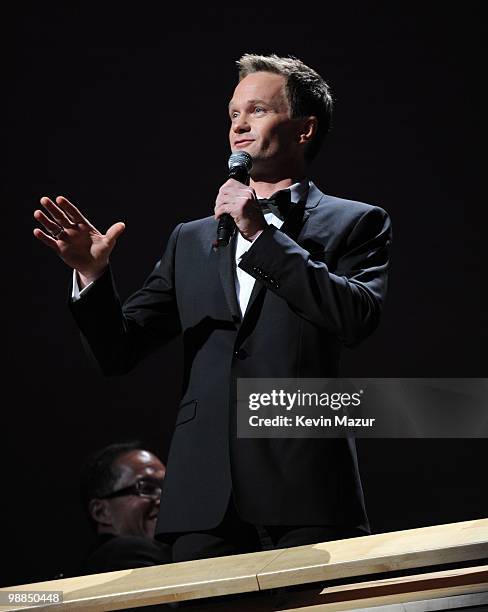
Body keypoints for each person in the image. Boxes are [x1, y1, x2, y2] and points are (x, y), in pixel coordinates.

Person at [34, 54, 392, 562]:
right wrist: (91, 276)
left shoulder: (356, 222)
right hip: (203, 500)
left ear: (305, 129)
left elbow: (355, 317)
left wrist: (261, 235)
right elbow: (119, 351)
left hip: (306, 489)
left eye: (258, 110)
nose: (239, 125)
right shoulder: (191, 239)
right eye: (232, 114)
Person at [79, 441, 171, 573]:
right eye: (146, 488)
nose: (164, 500)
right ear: (101, 512)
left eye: (167, 489)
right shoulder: (128, 553)